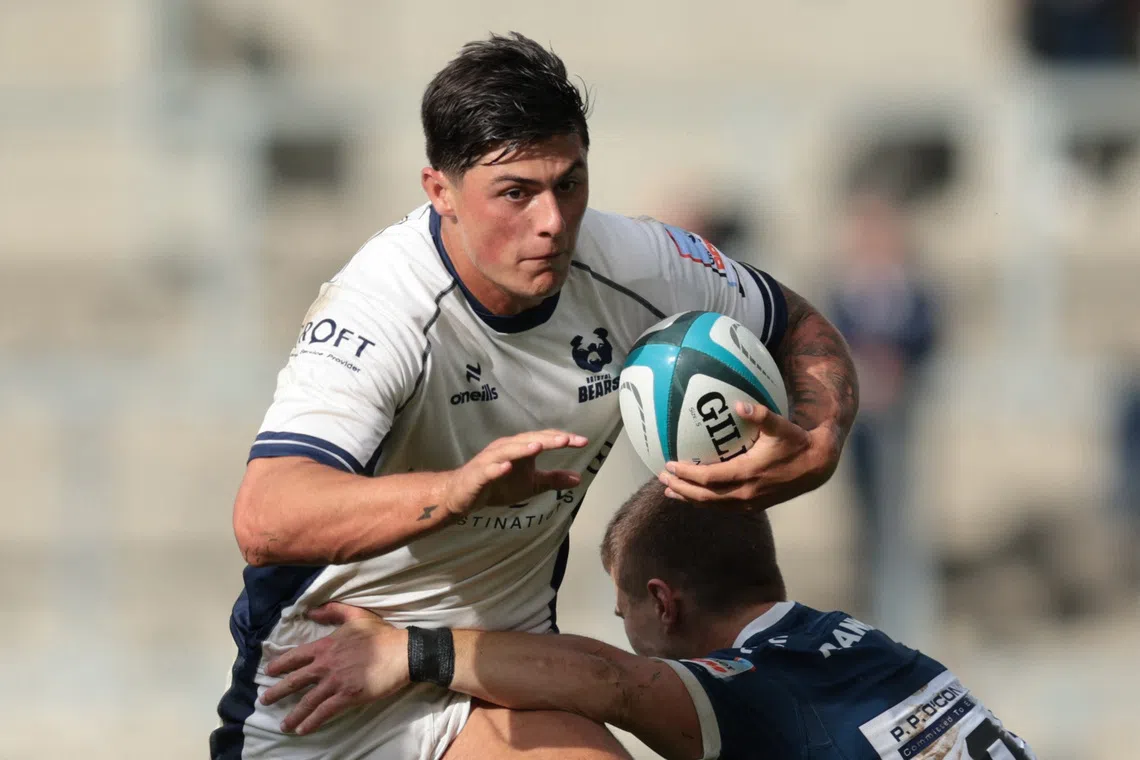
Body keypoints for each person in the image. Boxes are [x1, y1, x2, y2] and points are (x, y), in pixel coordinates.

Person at [212, 32, 859, 760]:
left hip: (500, 664)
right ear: (440, 193)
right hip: (328, 683)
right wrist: (457, 492)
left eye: (569, 183)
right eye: (516, 193)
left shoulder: (637, 264)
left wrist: (820, 435)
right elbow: (265, 516)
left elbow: (798, 324)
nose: (552, 222)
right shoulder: (383, 308)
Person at [262, 480, 1035, 760]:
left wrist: (409, 651)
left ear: (662, 603)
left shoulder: (757, 692)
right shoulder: (866, 645)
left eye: (623, 608)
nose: (626, 628)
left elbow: (613, 682)